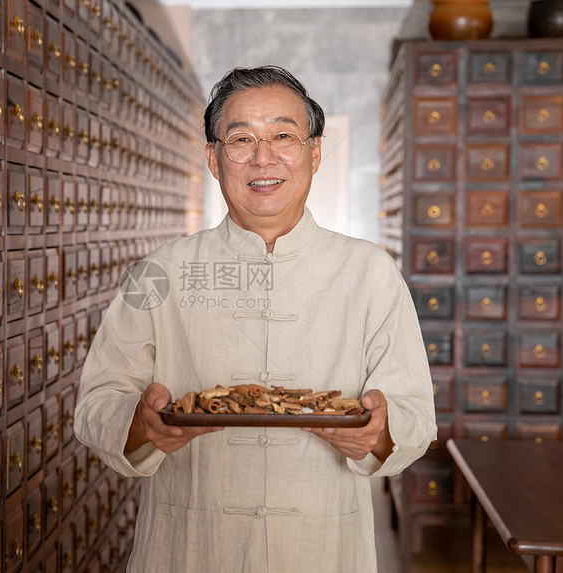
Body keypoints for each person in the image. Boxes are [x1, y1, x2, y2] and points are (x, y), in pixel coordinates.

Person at [74, 65, 437, 573]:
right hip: (188, 548)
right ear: (213, 159)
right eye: (240, 138)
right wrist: (139, 425)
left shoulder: (370, 272)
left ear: (314, 153)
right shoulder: (158, 272)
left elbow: (415, 414)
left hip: (323, 550)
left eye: (283, 136)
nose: (262, 157)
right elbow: (96, 403)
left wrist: (378, 432)